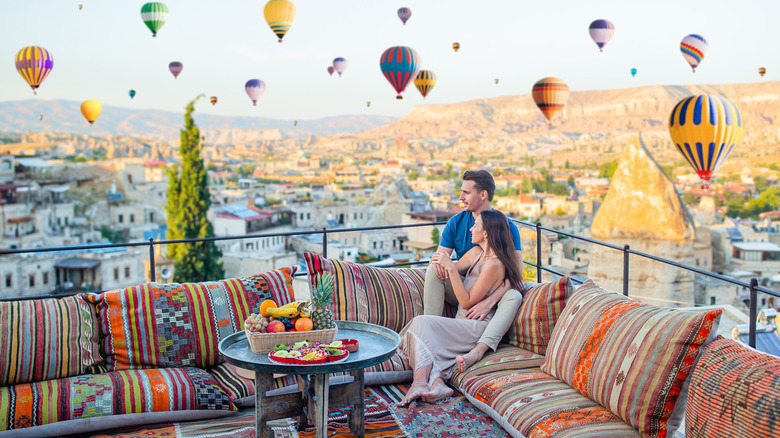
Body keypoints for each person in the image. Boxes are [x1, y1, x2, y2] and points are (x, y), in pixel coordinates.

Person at [397, 210, 525, 406]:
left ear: (487, 233)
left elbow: (466, 302)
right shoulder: (476, 253)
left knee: (421, 323)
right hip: (460, 323)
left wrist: (450, 266)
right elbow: (450, 273)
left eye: (476, 226)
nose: (471, 228)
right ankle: (437, 384)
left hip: (476, 326)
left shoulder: (494, 264)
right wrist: (442, 264)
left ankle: (419, 383)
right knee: (422, 327)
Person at [424, 170, 524, 369]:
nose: (461, 197)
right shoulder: (456, 223)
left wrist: (489, 301)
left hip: (493, 289)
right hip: (466, 287)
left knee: (514, 295)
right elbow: (439, 261)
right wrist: (445, 266)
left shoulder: (505, 226)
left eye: (466, 193)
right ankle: (431, 329)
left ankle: (479, 350)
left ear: (483, 195)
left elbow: (517, 274)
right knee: (433, 272)